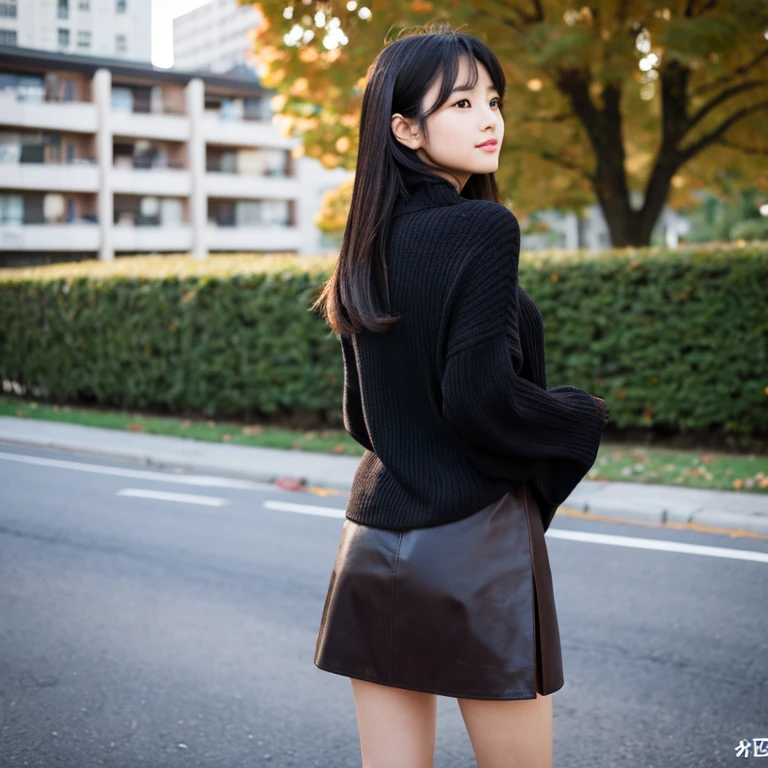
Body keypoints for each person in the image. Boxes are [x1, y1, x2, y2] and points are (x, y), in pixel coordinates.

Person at [310, 21, 611, 768]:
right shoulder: (483, 227)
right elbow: (481, 402)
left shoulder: (364, 243)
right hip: (475, 546)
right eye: (461, 104)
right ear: (405, 129)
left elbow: (360, 417)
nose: (489, 120)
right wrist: (579, 418)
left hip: (372, 540)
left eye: (494, 100)